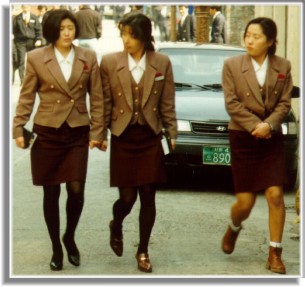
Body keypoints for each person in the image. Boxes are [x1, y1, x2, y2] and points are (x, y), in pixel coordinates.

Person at [12, 9, 104, 271]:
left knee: (76, 189)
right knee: (51, 192)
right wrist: (18, 127)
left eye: (71, 28)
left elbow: (96, 97)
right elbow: (27, 96)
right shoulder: (36, 58)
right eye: (62, 28)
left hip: (77, 130)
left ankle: (69, 236)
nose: (67, 33)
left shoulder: (88, 57)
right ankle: (55, 247)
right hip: (48, 132)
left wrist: (98, 132)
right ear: (53, 30)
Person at [100, 12, 177, 273]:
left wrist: (172, 133)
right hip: (123, 135)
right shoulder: (110, 62)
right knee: (127, 197)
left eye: (131, 35)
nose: (126, 40)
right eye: (123, 34)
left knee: (148, 194)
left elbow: (167, 102)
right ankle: (116, 223)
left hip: (150, 135)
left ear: (144, 36)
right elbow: (104, 103)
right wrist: (98, 134)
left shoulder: (162, 62)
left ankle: (143, 250)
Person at [221, 17, 293, 274]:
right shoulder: (232, 65)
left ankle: (275, 252)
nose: (249, 40)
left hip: (271, 138)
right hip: (242, 136)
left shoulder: (283, 66)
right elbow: (231, 103)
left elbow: (285, 104)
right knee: (246, 203)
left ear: (271, 41)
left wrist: (269, 125)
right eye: (247, 35)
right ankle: (234, 226)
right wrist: (255, 125)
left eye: (256, 36)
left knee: (275, 195)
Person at [12, 4, 42, 86]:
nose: (25, 9)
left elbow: (39, 29)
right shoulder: (17, 18)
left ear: (29, 7)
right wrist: (17, 38)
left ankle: (33, 80)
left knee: (32, 61)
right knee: (21, 61)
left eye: (27, 7)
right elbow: (14, 30)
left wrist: (38, 39)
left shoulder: (34, 17)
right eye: (24, 7)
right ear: (22, 8)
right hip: (20, 42)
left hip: (31, 42)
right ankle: (23, 81)